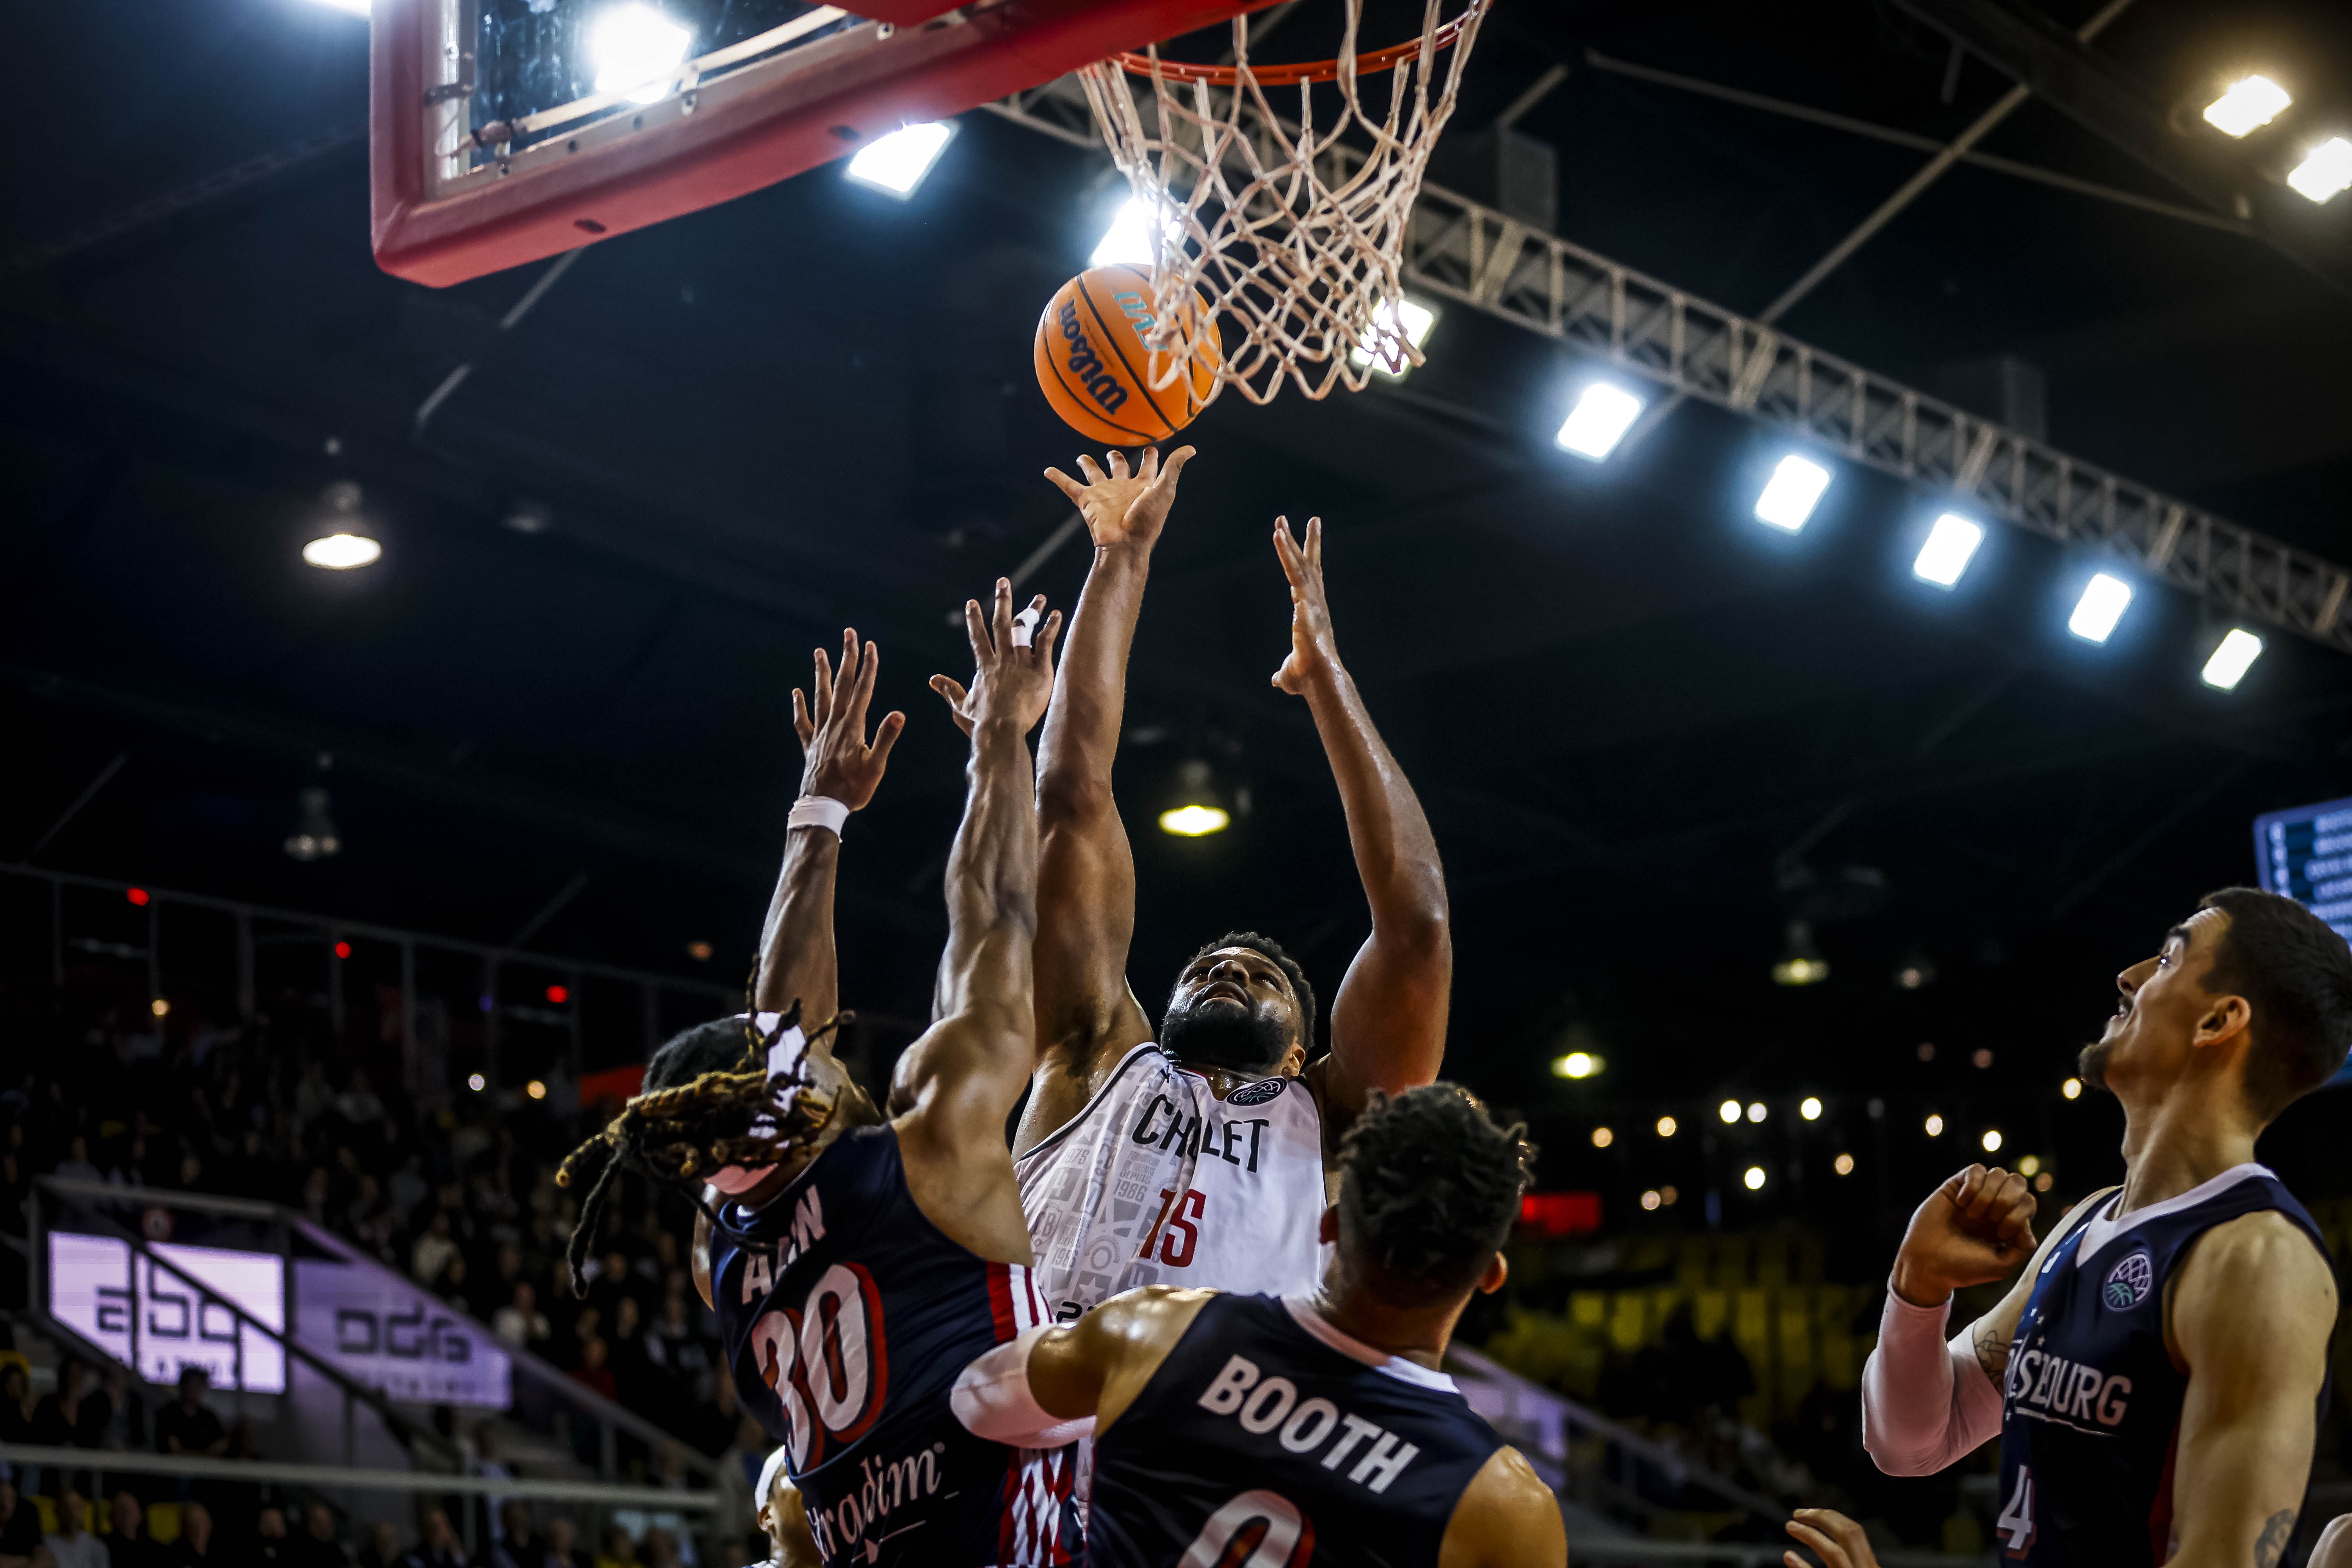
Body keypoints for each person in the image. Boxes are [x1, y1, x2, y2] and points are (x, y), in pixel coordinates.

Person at [557, 593, 1067, 1568]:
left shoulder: (724, 1244)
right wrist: (1001, 734)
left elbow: (784, 1017)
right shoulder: (934, 1143)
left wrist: (818, 814)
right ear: (794, 1105)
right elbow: (996, 913)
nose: (805, 1043)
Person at [1013, 449, 1451, 1323]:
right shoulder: (1094, 1054)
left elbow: (1417, 927)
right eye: (1210, 964)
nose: (1226, 969)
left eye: (1262, 977)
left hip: (1210, 1440)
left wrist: (1330, 680)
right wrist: (1119, 564)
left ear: (1300, 1052)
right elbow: (1069, 795)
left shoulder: (1325, 1114)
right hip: (1029, 1430)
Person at [1861, 888, 2350, 1564]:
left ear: (2218, 1022)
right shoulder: (2087, 1225)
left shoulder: (2255, 1259)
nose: (2131, 974)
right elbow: (1912, 1444)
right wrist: (1916, 1292)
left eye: (2171, 958)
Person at [953, 1084, 1563, 1568]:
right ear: (1491, 1276)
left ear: (1329, 1227)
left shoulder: (1158, 1331)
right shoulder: (1504, 1506)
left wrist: (1141, 1399)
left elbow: (974, 1402)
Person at [153, 1369, 226, 1465]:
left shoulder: (209, 1416)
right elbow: (172, 1448)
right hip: (174, 1468)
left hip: (207, 1469)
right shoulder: (169, 1413)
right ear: (183, 1386)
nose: (196, 1390)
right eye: (192, 1385)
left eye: (200, 1386)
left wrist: (201, 1458)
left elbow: (221, 1444)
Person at [43, 1488, 107, 1568]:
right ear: (57, 1511)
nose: (73, 1513)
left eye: (77, 1507)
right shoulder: (46, 1545)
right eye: (66, 1508)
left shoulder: (97, 1547)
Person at [104, 1491, 160, 1568]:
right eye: (121, 1511)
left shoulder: (155, 1549)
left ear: (140, 1515)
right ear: (111, 1516)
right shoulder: (103, 1547)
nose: (126, 1516)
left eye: (130, 1511)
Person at [391, 1510, 465, 1568]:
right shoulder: (413, 1558)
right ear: (423, 1530)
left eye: (444, 1525)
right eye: (434, 1527)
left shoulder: (451, 1556)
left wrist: (456, 1551)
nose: (440, 1531)